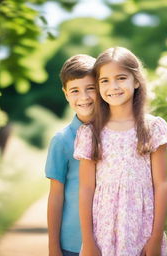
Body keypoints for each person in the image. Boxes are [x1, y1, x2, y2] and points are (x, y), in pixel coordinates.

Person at [74, 47, 167, 256]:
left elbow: (161, 184)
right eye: (105, 80)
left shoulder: (153, 128)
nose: (113, 86)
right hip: (102, 232)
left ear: (136, 81)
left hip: (143, 229)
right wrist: (88, 241)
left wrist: (155, 238)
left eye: (121, 78)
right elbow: (86, 189)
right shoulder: (90, 133)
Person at [45, 54, 96, 256]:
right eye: (75, 90)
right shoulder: (62, 140)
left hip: (111, 240)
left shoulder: (115, 134)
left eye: (90, 88)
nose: (83, 97)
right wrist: (53, 247)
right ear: (66, 94)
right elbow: (56, 196)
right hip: (73, 244)